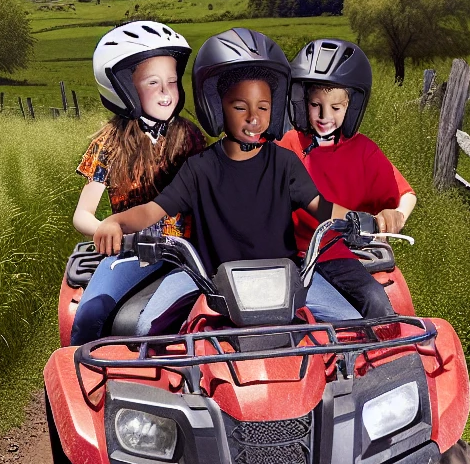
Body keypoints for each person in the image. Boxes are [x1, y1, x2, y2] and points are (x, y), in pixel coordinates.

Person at [91, 28, 362, 332]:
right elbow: (152, 210)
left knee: (353, 324)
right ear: (217, 107)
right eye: (239, 106)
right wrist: (117, 222)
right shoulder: (200, 168)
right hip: (207, 279)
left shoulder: (285, 163)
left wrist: (361, 219)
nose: (254, 118)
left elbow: (321, 208)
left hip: (285, 278)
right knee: (146, 330)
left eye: (263, 107)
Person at [68, 21, 206, 345]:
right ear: (124, 90)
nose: (166, 92)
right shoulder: (110, 143)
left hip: (187, 252)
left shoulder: (190, 137)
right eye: (153, 82)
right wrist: (106, 229)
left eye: (172, 81)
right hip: (133, 252)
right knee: (89, 314)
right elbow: (82, 214)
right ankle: (83, 383)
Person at [279, 38, 416, 319]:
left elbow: (406, 194)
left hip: (332, 250)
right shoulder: (288, 143)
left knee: (375, 301)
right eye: (315, 105)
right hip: (286, 254)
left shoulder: (364, 151)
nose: (324, 116)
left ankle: (383, 360)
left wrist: (396, 215)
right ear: (301, 102)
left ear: (351, 107)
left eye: (336, 107)